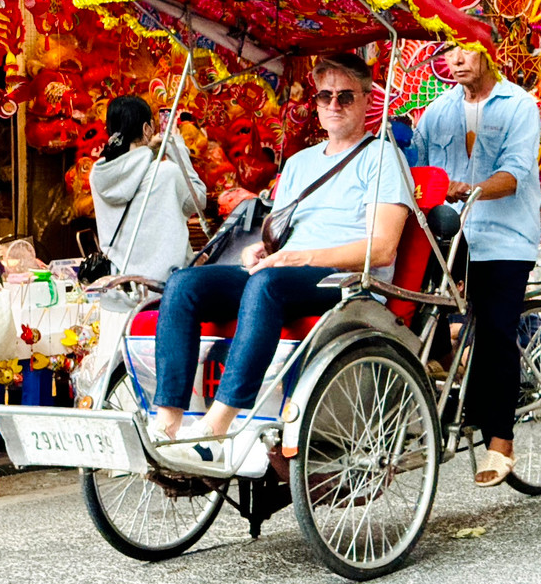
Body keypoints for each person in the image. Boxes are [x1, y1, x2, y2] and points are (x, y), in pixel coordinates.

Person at [149, 53, 414, 463]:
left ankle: (216, 427)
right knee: (185, 283)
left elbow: (381, 248)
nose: (333, 106)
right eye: (325, 96)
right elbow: (281, 232)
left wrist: (298, 257)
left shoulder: (381, 158)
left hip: (347, 280)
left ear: (366, 100)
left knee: (266, 284)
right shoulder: (299, 163)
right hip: (288, 269)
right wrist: (266, 247)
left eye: (345, 97)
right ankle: (167, 423)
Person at [412, 46, 541, 488]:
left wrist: (472, 188)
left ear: (488, 51)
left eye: (466, 49)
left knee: (494, 332)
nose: (457, 61)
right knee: (411, 308)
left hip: (503, 236)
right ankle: (447, 362)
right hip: (448, 233)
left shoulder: (519, 105)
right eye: (449, 53)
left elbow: (515, 172)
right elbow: (419, 172)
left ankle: (500, 442)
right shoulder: (434, 113)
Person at [89, 95, 206, 281]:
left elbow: (130, 170)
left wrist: (148, 150)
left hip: (120, 286)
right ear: (146, 129)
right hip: (163, 289)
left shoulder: (98, 174)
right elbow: (198, 201)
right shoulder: (166, 172)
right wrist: (177, 148)